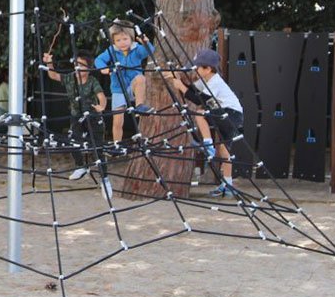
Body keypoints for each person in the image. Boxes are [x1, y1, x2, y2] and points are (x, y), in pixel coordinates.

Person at [163, 48, 244, 198]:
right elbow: (193, 90)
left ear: (208, 69)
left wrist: (181, 86)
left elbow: (200, 100)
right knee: (224, 150)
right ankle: (228, 184)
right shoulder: (204, 81)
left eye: (198, 68)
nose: (195, 70)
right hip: (231, 115)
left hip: (230, 114)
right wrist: (177, 79)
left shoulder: (215, 82)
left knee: (200, 112)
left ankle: (207, 143)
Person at [42, 50, 112, 182]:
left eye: (81, 65)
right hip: (76, 115)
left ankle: (104, 178)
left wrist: (101, 106)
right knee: (73, 141)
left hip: (92, 116)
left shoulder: (92, 81)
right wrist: (49, 63)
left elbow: (101, 96)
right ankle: (80, 166)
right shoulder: (70, 78)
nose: (78, 67)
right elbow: (53, 75)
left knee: (97, 147)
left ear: (89, 68)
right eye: (76, 64)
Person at [94, 23, 153, 149]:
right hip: (118, 88)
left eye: (125, 39)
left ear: (131, 38)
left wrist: (146, 43)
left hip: (133, 86)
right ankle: (117, 145)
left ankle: (139, 106)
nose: (122, 43)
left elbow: (148, 51)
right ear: (114, 41)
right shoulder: (112, 50)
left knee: (141, 78)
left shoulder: (136, 49)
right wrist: (105, 69)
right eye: (118, 40)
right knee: (117, 120)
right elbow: (98, 60)